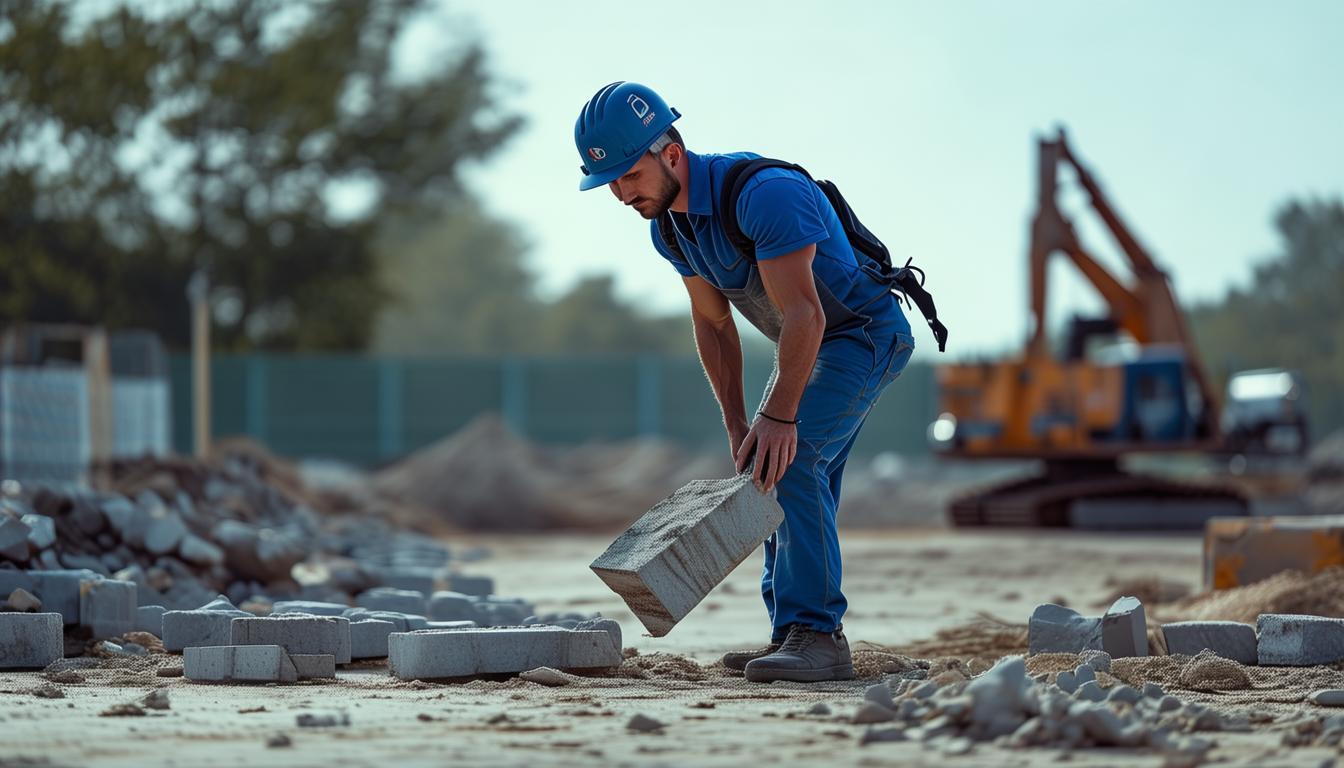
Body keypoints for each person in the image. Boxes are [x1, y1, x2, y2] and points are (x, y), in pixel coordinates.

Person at [574, 81, 915, 683]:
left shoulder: (765, 195)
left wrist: (779, 416)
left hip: (861, 335)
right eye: (610, 184)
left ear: (670, 153)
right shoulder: (670, 230)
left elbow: (807, 314)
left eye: (629, 176)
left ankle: (818, 635)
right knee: (762, 463)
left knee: (794, 455)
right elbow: (713, 325)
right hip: (808, 346)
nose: (621, 194)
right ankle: (788, 633)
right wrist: (739, 424)